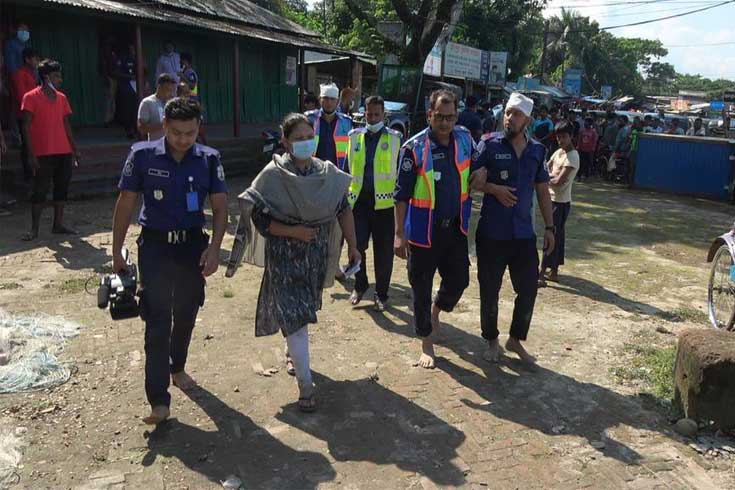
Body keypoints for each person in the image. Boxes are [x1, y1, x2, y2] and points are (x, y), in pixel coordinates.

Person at [225, 113, 360, 412]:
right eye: (298, 138)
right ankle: (306, 386)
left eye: (309, 136)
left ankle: (292, 354)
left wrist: (353, 244)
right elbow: (259, 218)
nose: (306, 142)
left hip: (314, 259)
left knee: (301, 314)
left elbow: (344, 209)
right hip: (284, 258)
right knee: (297, 319)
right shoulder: (272, 176)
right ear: (285, 142)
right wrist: (293, 231)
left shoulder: (327, 174)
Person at [113, 97, 228, 425]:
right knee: (157, 320)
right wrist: (116, 249)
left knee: (187, 314)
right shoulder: (142, 155)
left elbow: (220, 206)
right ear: (164, 126)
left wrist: (216, 247)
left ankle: (177, 367)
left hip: (193, 248)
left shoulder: (208, 160)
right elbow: (126, 203)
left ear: (198, 129)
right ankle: (159, 400)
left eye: (190, 133)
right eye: (177, 132)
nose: (183, 139)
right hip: (156, 248)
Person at [470, 92, 555, 365]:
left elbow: (543, 191)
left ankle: (515, 339)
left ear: (527, 119)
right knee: (489, 290)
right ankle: (491, 339)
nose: (509, 118)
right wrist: (492, 188)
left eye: (516, 114)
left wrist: (550, 228)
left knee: (529, 288)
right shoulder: (488, 144)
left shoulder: (538, 151)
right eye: (507, 112)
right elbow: (472, 181)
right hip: (492, 233)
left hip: (523, 235)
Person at [394, 89, 474, 369]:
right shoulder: (413, 148)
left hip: (455, 228)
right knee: (421, 286)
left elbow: (475, 171)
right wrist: (399, 233)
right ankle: (426, 342)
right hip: (422, 232)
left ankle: (437, 310)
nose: (445, 122)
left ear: (456, 117)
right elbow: (401, 194)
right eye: (439, 116)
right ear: (430, 114)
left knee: (461, 279)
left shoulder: (464, 139)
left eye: (450, 117)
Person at [345, 95, 401, 311]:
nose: (372, 118)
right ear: (364, 113)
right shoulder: (354, 137)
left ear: (384, 115)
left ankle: (382, 293)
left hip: (385, 206)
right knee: (356, 246)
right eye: (369, 114)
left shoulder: (395, 139)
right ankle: (360, 285)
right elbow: (345, 168)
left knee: (383, 252)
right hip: (358, 203)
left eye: (377, 114)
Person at [20, 59, 81, 241]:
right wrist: (30, 154)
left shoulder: (61, 98)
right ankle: (34, 229)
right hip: (42, 152)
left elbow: (66, 124)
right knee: (40, 191)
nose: (60, 79)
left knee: (61, 189)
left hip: (63, 151)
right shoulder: (30, 97)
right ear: (46, 77)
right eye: (56, 75)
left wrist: (74, 149)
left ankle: (58, 224)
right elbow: (25, 127)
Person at [539, 121, 578, 285]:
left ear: (571, 136)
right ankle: (552, 270)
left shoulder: (572, 156)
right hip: (551, 199)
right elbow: (545, 168)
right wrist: (548, 177)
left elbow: (559, 181)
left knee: (551, 236)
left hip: (560, 203)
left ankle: (543, 272)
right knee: (556, 236)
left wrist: (546, 178)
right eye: (558, 137)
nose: (560, 140)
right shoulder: (559, 152)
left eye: (564, 137)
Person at [305, 83, 353, 171]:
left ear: (337, 101)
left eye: (332, 99)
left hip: (337, 170)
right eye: (326, 98)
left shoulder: (346, 122)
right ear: (320, 100)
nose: (329, 102)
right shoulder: (310, 119)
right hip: (313, 169)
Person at [11, 47, 39, 183]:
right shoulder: (19, 74)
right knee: (27, 144)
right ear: (27, 59)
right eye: (34, 58)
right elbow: (22, 96)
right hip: (25, 115)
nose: (36, 61)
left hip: (35, 114)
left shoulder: (33, 74)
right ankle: (28, 175)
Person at [138, 74, 177, 141]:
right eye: (167, 89)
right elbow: (142, 128)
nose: (170, 93)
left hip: (175, 145)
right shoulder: (147, 102)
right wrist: (164, 125)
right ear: (159, 87)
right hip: (156, 146)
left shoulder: (174, 102)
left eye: (172, 90)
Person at [115, 44, 140, 139]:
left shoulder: (139, 58)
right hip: (126, 86)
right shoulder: (123, 59)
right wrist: (129, 77)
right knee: (127, 109)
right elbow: (117, 72)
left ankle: (136, 129)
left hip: (137, 87)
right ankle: (129, 130)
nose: (133, 50)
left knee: (136, 109)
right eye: (131, 49)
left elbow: (145, 71)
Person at [99, 36, 119, 127]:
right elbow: (104, 67)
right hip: (109, 78)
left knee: (112, 100)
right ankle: (106, 121)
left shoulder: (113, 54)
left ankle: (110, 119)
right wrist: (106, 78)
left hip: (114, 78)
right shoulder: (105, 53)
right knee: (108, 100)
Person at [576, 117, 598, 182]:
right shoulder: (582, 131)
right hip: (582, 149)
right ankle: (579, 176)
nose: (586, 123)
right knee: (581, 163)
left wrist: (593, 148)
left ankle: (586, 176)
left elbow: (594, 141)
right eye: (585, 122)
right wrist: (578, 146)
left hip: (589, 150)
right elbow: (579, 139)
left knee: (588, 163)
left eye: (588, 122)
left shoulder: (593, 131)